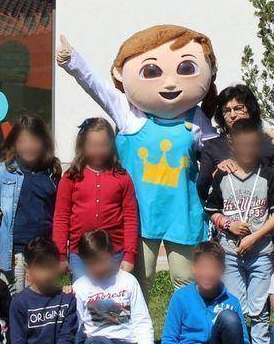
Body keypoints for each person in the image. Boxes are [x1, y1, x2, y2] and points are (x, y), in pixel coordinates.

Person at [57, 27, 220, 291]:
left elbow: (220, 150)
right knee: (138, 280)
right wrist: (73, 61)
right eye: (153, 72)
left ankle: (185, 332)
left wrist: (262, 141)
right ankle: (138, 332)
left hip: (182, 211)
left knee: (184, 279)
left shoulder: (196, 118)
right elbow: (96, 88)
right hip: (141, 213)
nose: (169, 83)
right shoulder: (129, 114)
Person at [200, 117, 274, 344]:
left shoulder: (268, 176)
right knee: (236, 306)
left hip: (260, 254)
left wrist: (255, 235)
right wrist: (227, 224)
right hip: (229, 254)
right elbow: (211, 211)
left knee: (259, 308)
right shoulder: (224, 177)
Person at [161, 241, 264, 344]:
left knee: (229, 317)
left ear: (222, 270)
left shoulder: (232, 301)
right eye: (202, 267)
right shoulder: (181, 298)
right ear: (194, 269)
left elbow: (242, 343)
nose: (207, 273)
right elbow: (169, 340)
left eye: (213, 268)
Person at [70, 229, 159, 344]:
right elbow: (77, 327)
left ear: (112, 254)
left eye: (102, 261)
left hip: (126, 342)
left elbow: (141, 321)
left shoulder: (127, 281)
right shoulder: (80, 287)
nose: (99, 267)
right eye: (92, 263)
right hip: (97, 343)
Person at [52, 117, 139, 279]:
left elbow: (130, 218)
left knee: (113, 301)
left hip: (114, 253)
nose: (98, 150)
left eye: (103, 145)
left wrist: (129, 255)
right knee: (84, 299)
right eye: (93, 145)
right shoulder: (71, 177)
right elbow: (61, 218)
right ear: (83, 146)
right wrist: (61, 254)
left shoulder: (122, 177)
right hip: (80, 255)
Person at [0, 114, 61, 293]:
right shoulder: (2, 172)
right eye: (23, 141)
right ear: (14, 143)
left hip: (45, 252)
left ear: (44, 142)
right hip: (14, 254)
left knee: (49, 299)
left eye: (34, 141)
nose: (28, 147)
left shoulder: (53, 172)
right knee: (15, 303)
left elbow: (61, 215)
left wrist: (62, 257)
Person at [8, 237, 83, 344]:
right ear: (28, 270)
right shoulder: (19, 303)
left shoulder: (66, 297)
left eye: (51, 267)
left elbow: (67, 334)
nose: (47, 274)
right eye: (41, 268)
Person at [196, 83, 274, 182]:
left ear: (250, 109)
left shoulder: (269, 142)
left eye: (238, 108)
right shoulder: (212, 146)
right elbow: (202, 189)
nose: (233, 115)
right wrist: (217, 173)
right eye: (227, 110)